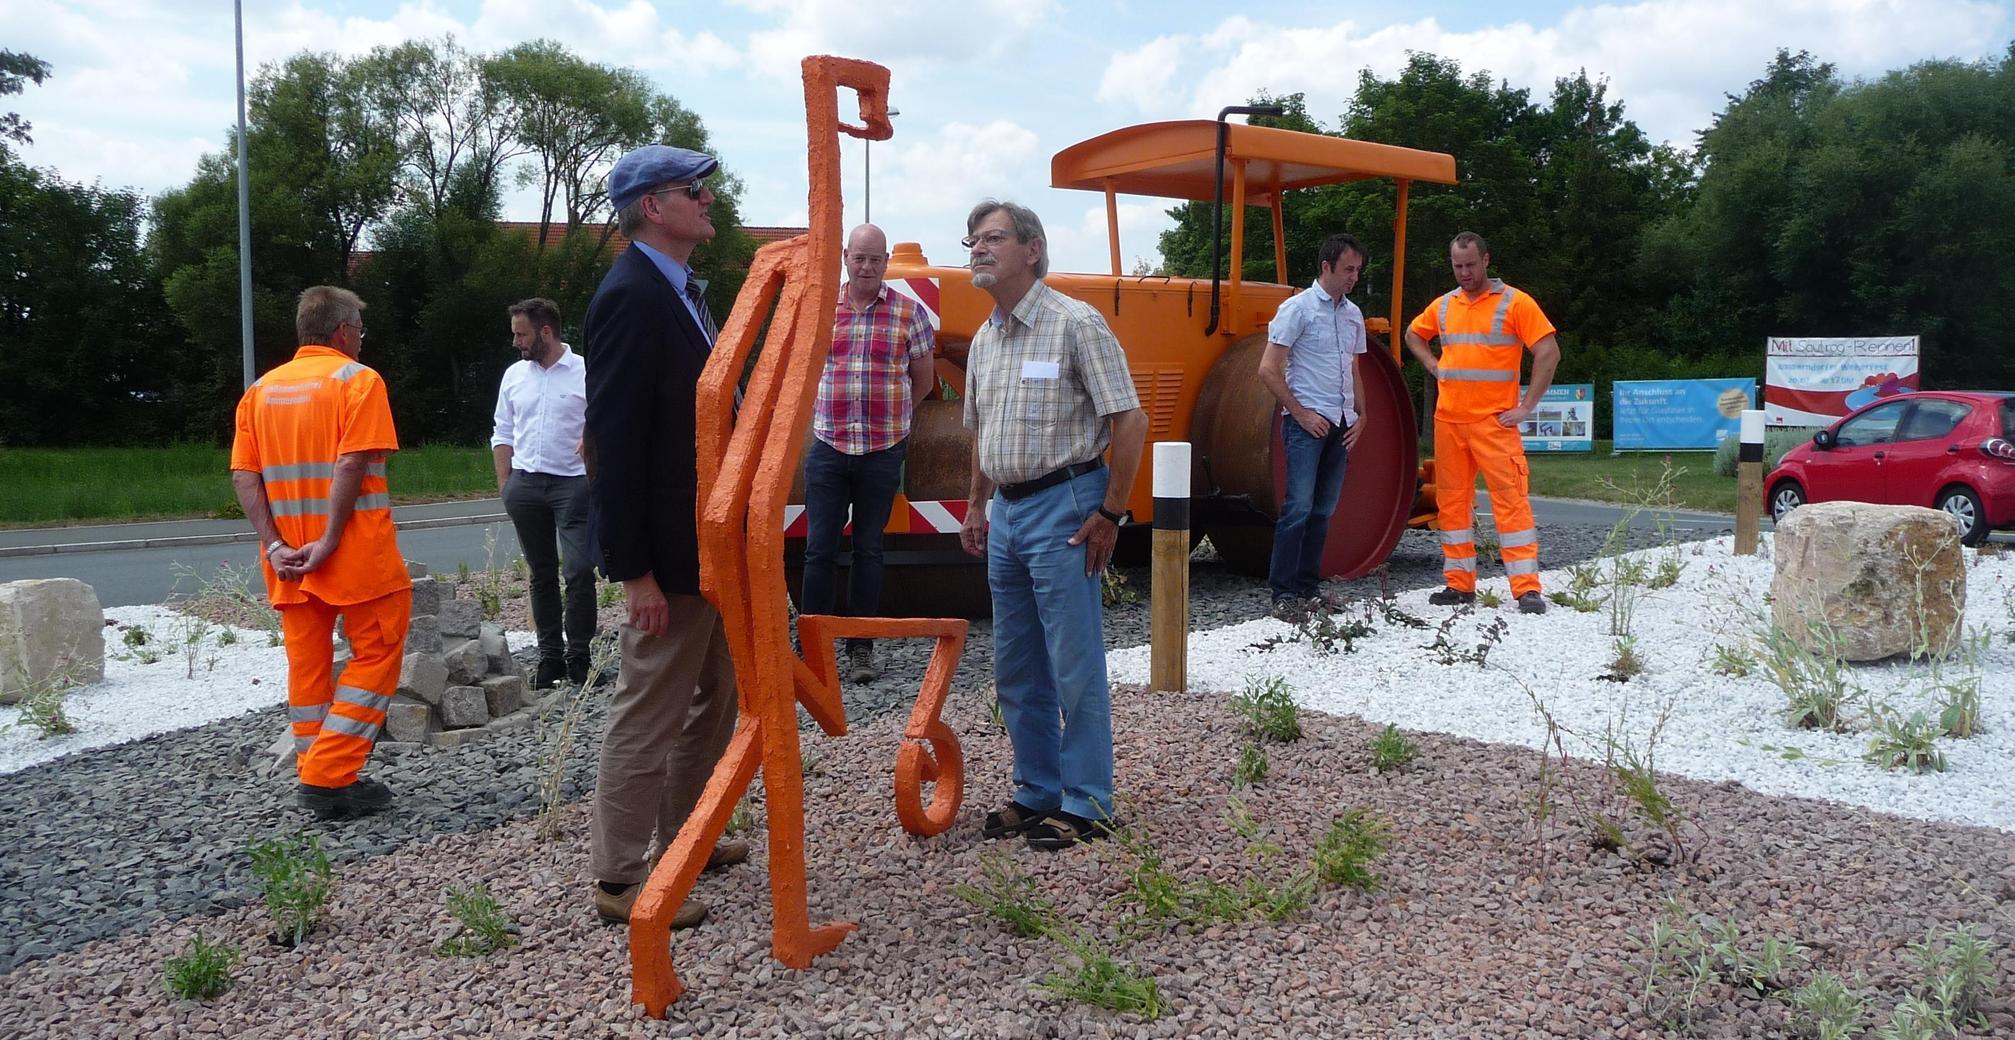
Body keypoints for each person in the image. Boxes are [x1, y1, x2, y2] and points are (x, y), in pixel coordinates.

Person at [582, 144, 747, 930]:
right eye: (694, 191)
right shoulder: (633, 296)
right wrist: (633, 572)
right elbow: (611, 441)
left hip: (707, 550)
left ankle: (690, 836)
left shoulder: (682, 293)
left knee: (718, 694)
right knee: (650, 706)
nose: (708, 200)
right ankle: (619, 880)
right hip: (670, 557)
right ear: (653, 206)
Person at [956, 199, 1149, 851]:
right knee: (1015, 664)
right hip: (1006, 512)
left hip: (1067, 505)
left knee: (1072, 660)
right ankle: (1036, 791)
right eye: (973, 241)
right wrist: (976, 504)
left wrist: (1109, 512)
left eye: (992, 239)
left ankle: (1089, 800)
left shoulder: (1074, 324)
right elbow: (981, 431)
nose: (977, 250)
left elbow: (1129, 420)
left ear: (1032, 249)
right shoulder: (985, 337)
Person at [228, 286, 411, 820]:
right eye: (360, 330)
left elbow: (245, 474)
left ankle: (319, 770)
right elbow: (352, 463)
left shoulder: (260, 390)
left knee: (307, 669)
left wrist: (276, 545)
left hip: (287, 561)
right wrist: (329, 540)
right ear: (343, 331)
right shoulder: (359, 381)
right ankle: (329, 776)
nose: (360, 339)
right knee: (377, 651)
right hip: (353, 555)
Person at [803, 223, 936, 684]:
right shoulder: (819, 309)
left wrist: (895, 419)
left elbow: (923, 380)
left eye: (875, 260)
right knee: (818, 549)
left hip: (882, 449)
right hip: (828, 444)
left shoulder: (909, 313)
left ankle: (861, 648)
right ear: (845, 256)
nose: (866, 267)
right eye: (859, 258)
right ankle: (812, 646)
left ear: (885, 264)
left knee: (869, 549)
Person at [1403, 231, 1562, 614]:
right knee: (1452, 505)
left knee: (1511, 503)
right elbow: (1413, 334)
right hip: (1450, 421)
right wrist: (1432, 365)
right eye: (1457, 266)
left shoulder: (1515, 303)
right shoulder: (1444, 306)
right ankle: (1459, 585)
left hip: (1494, 423)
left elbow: (1548, 351)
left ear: (1486, 260)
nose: (1464, 273)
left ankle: (1526, 589)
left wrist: (1526, 407)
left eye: (1470, 265)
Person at [1256, 233, 1369, 615]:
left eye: (1357, 270)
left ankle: (1308, 587)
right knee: (1298, 507)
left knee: (1324, 509)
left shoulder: (1353, 314)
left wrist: (1363, 415)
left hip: (1341, 423)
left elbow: (1353, 367)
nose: (1353, 277)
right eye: (1347, 269)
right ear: (1326, 267)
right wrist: (1300, 413)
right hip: (1306, 424)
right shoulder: (1297, 309)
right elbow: (1268, 369)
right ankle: (1283, 593)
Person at [492, 297, 596, 690]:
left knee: (580, 571)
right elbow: (502, 430)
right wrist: (506, 484)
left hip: (573, 484)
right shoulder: (515, 376)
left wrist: (593, 442)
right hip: (526, 484)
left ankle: (580, 657)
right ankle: (549, 656)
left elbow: (605, 418)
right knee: (540, 574)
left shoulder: (586, 371)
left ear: (545, 332)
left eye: (522, 334)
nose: (517, 341)